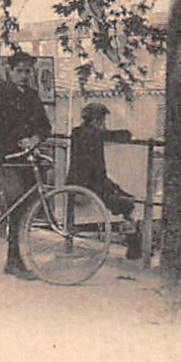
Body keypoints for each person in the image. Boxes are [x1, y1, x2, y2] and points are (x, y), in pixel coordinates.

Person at [0, 52, 52, 278]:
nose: (23, 75)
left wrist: (35, 139)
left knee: (26, 209)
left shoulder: (32, 95)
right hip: (7, 157)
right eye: (19, 71)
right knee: (17, 205)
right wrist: (16, 141)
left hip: (28, 158)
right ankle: (14, 261)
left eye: (27, 71)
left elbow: (45, 126)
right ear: (9, 71)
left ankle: (17, 258)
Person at [68, 102, 142, 259]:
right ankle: (134, 245)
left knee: (124, 199)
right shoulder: (95, 134)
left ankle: (133, 240)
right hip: (92, 183)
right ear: (96, 120)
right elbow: (122, 135)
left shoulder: (77, 132)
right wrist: (129, 133)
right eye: (102, 120)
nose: (104, 123)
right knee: (127, 202)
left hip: (81, 180)